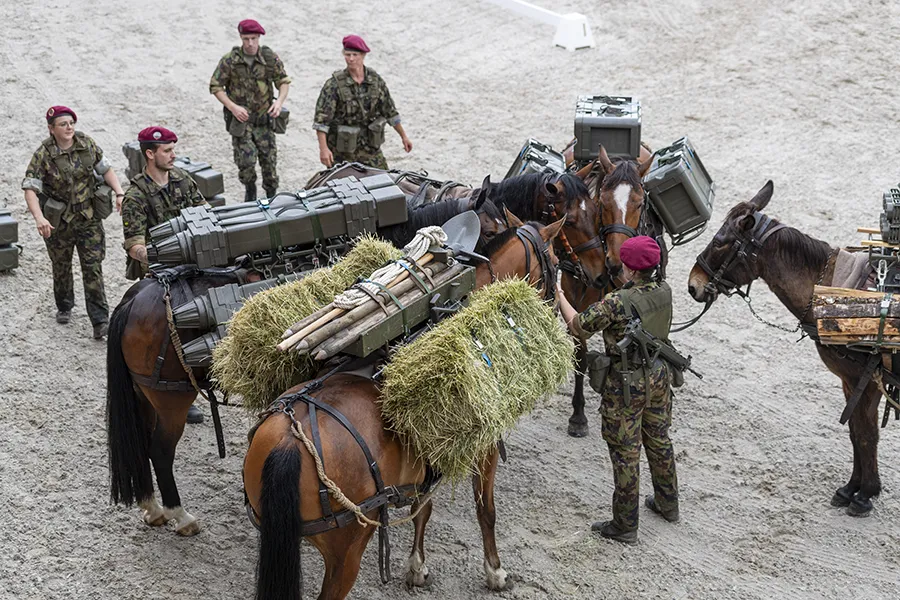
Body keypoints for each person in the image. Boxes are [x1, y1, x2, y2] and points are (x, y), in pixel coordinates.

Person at [556, 236, 679, 544]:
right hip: (659, 376)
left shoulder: (616, 303)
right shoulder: (665, 291)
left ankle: (625, 524)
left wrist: (560, 295)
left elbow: (578, 325)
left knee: (625, 451)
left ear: (629, 269)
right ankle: (668, 504)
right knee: (659, 439)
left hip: (626, 385)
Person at [120, 126, 208, 424]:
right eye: (167, 151)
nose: (174, 156)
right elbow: (134, 244)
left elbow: (203, 215)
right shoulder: (135, 194)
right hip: (159, 272)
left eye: (173, 150)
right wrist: (159, 256)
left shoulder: (183, 180)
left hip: (192, 265)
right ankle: (174, 389)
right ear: (150, 154)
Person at [21, 106, 125, 339]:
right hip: (60, 223)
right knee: (61, 265)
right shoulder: (44, 154)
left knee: (93, 268)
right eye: (63, 124)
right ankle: (65, 304)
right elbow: (30, 187)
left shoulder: (86, 143)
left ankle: (100, 321)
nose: (69, 128)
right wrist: (40, 218)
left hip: (89, 219)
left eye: (71, 123)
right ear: (51, 129)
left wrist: (119, 193)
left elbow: (105, 168)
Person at [209, 19, 291, 203]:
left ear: (259, 37)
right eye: (246, 39)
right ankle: (250, 190)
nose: (250, 43)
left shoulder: (268, 58)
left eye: (254, 38)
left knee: (269, 161)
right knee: (245, 161)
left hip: (264, 120)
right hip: (242, 120)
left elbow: (283, 81)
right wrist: (232, 107)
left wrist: (279, 102)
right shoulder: (230, 60)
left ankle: (271, 194)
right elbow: (216, 86)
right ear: (240, 38)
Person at [313, 34, 412, 170]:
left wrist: (404, 137)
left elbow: (389, 111)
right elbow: (321, 121)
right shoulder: (334, 85)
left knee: (383, 183)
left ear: (363, 55)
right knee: (342, 187)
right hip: (342, 152)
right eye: (348, 55)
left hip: (370, 149)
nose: (351, 59)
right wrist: (323, 149)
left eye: (355, 55)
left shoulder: (375, 81)